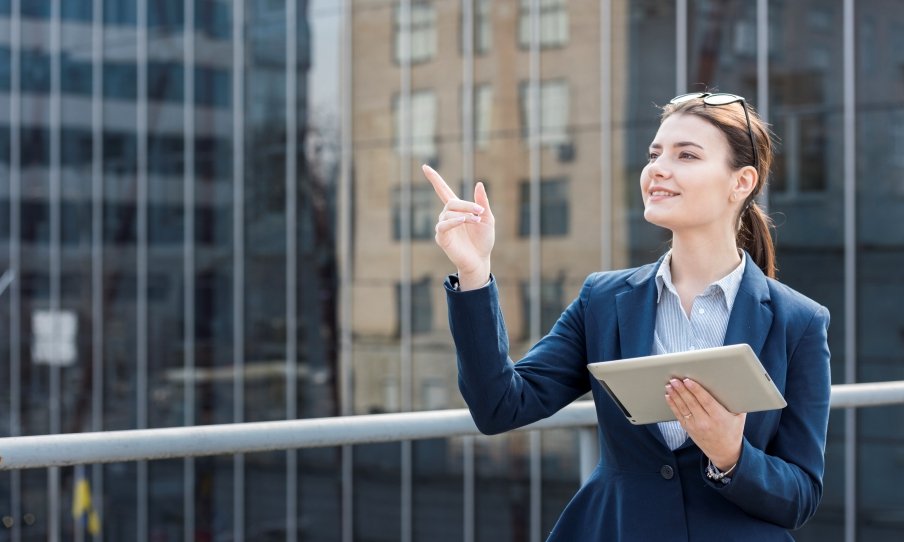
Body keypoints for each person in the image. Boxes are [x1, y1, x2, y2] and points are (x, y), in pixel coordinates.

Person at [423, 92, 831, 541]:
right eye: (654, 153)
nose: (658, 167)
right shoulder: (604, 300)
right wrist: (475, 272)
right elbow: (499, 406)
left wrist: (732, 454)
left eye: (687, 155)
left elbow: (800, 496)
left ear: (741, 182)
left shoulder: (799, 321)